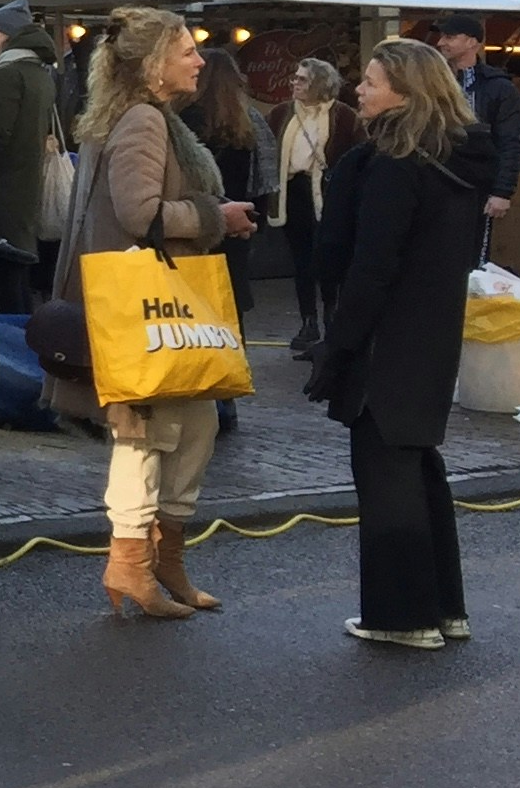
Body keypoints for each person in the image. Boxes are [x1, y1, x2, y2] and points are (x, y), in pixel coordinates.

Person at [46, 7, 251, 623]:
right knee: (146, 438)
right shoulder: (143, 120)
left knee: (194, 428)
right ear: (154, 64)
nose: (198, 60)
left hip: (158, 306)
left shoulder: (142, 115)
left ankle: (166, 561)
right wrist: (217, 216)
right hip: (146, 308)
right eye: (186, 50)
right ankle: (131, 564)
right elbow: (138, 213)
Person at [311, 39, 492, 651]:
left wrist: (337, 348)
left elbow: (370, 268)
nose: (357, 90)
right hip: (432, 335)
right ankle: (445, 609)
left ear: (406, 93)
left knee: (386, 476)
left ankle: (400, 616)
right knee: (420, 469)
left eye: (369, 81)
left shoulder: (394, 165)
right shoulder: (459, 161)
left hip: (386, 343)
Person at [265, 59, 359, 358]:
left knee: (330, 261)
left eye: (302, 79)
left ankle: (333, 325)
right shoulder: (281, 113)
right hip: (293, 193)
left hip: (329, 195)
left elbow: (357, 156)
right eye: (294, 78)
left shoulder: (344, 117)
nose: (294, 83)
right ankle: (308, 323)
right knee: (301, 262)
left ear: (319, 83)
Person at [0, 0, 60, 314]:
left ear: (10, 35)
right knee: (18, 277)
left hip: (5, 189)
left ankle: (14, 352)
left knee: (9, 278)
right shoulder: (40, 72)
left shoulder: (8, 74)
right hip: (26, 187)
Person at [184, 44, 265, 317]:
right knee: (231, 309)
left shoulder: (188, 122)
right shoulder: (245, 125)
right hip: (237, 224)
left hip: (203, 224)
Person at [432, 15, 520, 229]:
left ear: (472, 42)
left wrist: (502, 191)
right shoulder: (432, 82)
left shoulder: (499, 87)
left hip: (477, 185)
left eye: (449, 36)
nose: (440, 42)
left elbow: (510, 141)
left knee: (472, 252)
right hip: (434, 181)